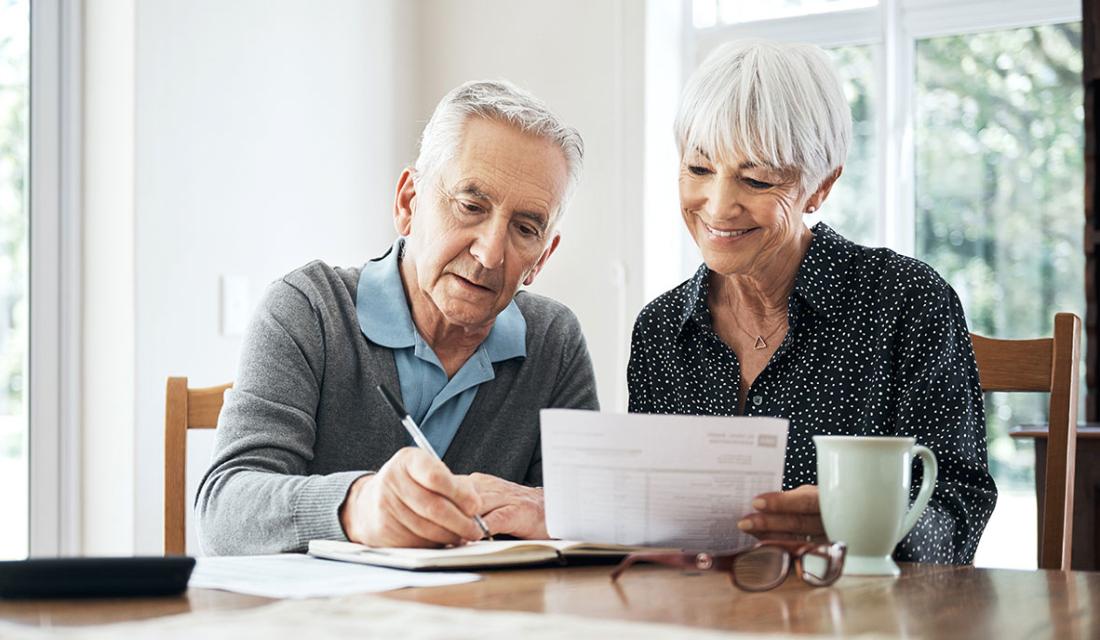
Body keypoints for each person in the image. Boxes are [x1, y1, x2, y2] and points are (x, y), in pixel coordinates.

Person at [627, 40, 996, 564]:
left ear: (820, 187)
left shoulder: (908, 302)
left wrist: (865, 523)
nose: (717, 206)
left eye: (756, 179)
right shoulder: (661, 329)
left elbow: (960, 514)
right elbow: (653, 519)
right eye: (699, 168)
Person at [197, 80, 598, 555]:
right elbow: (225, 514)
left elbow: (591, 519)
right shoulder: (307, 309)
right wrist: (357, 508)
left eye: (525, 228)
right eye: (470, 206)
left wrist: (553, 510)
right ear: (408, 203)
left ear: (542, 257)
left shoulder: (555, 340)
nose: (490, 253)